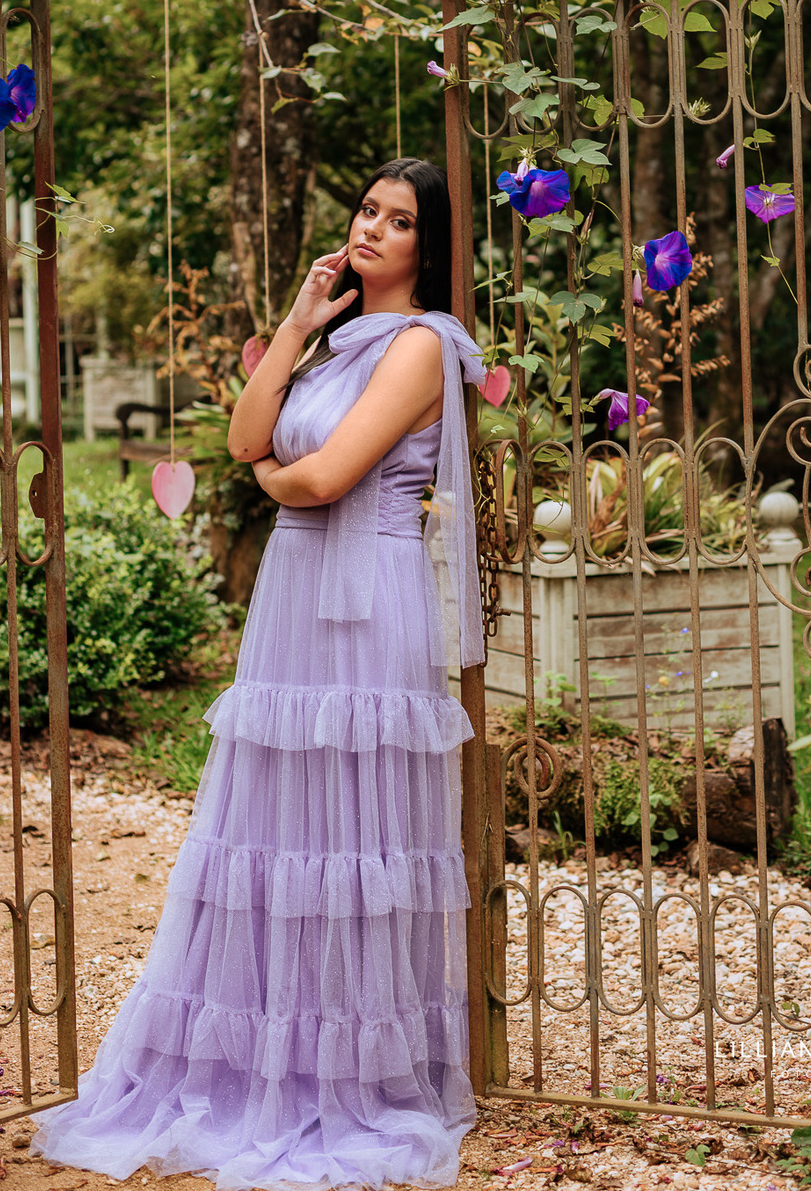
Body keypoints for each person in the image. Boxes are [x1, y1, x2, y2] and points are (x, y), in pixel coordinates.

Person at [32, 157, 486, 1190]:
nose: (372, 228)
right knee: (280, 826)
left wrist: (277, 477)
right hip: (294, 597)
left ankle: (348, 1075)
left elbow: (316, 476)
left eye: (399, 220)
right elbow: (245, 436)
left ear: (431, 245)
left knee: (353, 832)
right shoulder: (332, 346)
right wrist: (294, 323)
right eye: (365, 209)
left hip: (369, 596)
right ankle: (268, 1056)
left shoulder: (421, 346)